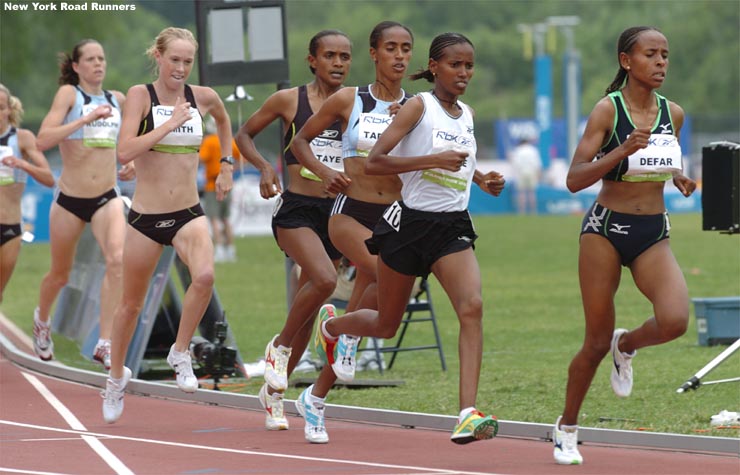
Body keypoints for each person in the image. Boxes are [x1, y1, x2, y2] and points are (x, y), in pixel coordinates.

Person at [310, 32, 505, 445]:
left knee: (472, 307)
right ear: (435, 67)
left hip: (452, 227)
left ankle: (467, 413)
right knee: (384, 324)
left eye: (469, 65)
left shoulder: (466, 114)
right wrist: (432, 159)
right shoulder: (418, 106)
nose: (464, 73)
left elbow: (459, 162)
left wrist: (481, 177)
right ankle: (333, 329)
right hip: (408, 226)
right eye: (456, 65)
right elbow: (377, 161)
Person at [552, 26, 696, 465]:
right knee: (594, 342)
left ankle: (628, 344)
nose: (660, 63)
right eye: (650, 54)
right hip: (604, 230)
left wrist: (678, 177)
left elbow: (662, 158)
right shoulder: (606, 111)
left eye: (665, 55)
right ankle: (566, 428)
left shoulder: (674, 113)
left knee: (674, 320)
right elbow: (574, 178)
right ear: (626, 61)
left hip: (653, 230)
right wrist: (620, 152)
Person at [290, 20, 415, 444]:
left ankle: (316, 397)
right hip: (350, 212)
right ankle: (338, 332)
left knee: (383, 315)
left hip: (395, 217)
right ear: (374, 54)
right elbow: (299, 143)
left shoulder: (419, 107)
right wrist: (326, 173)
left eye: (406, 49)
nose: (399, 56)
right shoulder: (350, 99)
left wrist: (479, 178)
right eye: (391, 48)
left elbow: (441, 156)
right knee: (382, 271)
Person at [101, 27, 234, 424]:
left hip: (188, 213)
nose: (180, 68)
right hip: (144, 218)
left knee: (205, 277)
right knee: (131, 305)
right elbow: (124, 150)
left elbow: (225, 122)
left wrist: (225, 165)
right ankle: (115, 378)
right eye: (174, 59)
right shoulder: (142, 95)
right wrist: (169, 124)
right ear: (157, 56)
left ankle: (180, 352)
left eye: (187, 61)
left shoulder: (202, 98)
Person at [234, 29, 352, 431]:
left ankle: (274, 393)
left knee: (308, 306)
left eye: (345, 57)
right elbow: (244, 133)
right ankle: (278, 348)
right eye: (330, 55)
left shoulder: (355, 103)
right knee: (323, 278)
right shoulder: (289, 100)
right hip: (297, 210)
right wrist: (266, 167)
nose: (338, 63)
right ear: (312, 60)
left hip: (336, 214)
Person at [33, 39, 133, 370]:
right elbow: (43, 139)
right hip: (70, 199)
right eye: (90, 59)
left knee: (117, 260)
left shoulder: (117, 99)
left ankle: (104, 341)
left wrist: (132, 161)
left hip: (106, 195)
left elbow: (131, 143)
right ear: (76, 66)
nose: (98, 64)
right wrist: (84, 121)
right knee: (60, 275)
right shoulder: (69, 96)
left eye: (101, 58)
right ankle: (42, 319)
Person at [0, 84, 55, 302]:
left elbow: (48, 178)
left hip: (11, 227)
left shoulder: (22, 138)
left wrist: (22, 165)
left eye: (0, 107)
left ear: (9, 110)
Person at [200, 116, 241, 262]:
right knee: (225, 219)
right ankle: (230, 249)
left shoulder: (209, 141)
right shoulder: (229, 141)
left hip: (212, 185)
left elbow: (201, 158)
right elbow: (240, 157)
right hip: (227, 183)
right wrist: (231, 171)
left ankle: (219, 249)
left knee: (214, 219)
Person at [509, 137, 542, 214]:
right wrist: (539, 174)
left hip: (521, 172)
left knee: (521, 193)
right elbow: (537, 163)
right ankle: (533, 211)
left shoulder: (518, 150)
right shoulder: (533, 150)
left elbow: (515, 164)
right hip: (531, 172)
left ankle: (522, 212)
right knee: (532, 192)